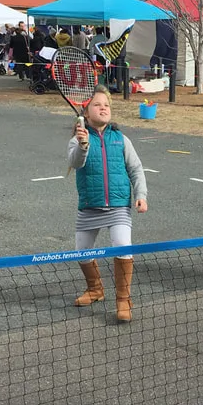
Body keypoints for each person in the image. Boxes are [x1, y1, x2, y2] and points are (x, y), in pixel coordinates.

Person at [66, 86, 148, 323]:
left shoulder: (121, 139)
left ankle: (123, 300)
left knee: (123, 245)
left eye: (107, 105)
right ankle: (95, 290)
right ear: (86, 111)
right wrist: (82, 145)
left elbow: (136, 169)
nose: (103, 108)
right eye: (97, 104)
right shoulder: (77, 139)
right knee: (82, 252)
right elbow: (75, 162)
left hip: (118, 206)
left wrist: (140, 195)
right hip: (89, 205)